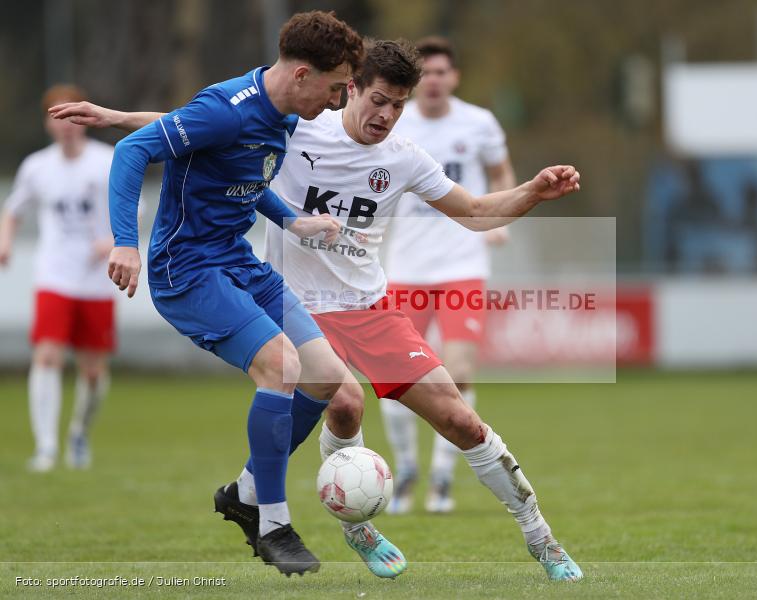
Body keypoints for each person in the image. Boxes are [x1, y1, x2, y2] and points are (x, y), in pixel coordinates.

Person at [50, 39, 584, 582]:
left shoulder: (405, 157)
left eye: (399, 105)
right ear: (350, 88)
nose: (387, 115)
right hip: (293, 299)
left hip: (368, 309)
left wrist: (534, 192)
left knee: (460, 420)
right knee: (345, 402)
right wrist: (116, 117)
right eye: (379, 100)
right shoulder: (303, 122)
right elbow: (196, 126)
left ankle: (541, 536)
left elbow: (473, 213)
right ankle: (355, 528)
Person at [57, 11, 372, 578]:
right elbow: (134, 152)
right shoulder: (229, 106)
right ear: (302, 74)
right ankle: (272, 522)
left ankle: (246, 491)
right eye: (335, 88)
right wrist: (126, 243)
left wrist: (291, 220)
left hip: (237, 262)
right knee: (281, 367)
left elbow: (242, 170)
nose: (337, 101)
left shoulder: (283, 112)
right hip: (187, 270)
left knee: (327, 378)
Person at [380, 36, 516, 515]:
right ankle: (405, 470)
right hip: (405, 268)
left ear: (453, 77)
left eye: (442, 72)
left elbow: (501, 176)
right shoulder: (394, 122)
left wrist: (497, 221)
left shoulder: (478, 123)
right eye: (427, 73)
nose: (434, 81)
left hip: (463, 267)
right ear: (417, 81)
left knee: (456, 373)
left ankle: (441, 476)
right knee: (397, 377)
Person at [0, 84, 116, 472]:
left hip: (98, 279)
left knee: (94, 371)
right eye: (58, 119)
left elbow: (133, 205)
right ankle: (46, 448)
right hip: (55, 275)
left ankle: (79, 432)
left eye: (72, 118)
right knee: (47, 355)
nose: (67, 126)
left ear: (84, 119)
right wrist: (6, 242)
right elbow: (13, 209)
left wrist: (113, 239)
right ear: (49, 124)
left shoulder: (108, 160)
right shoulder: (37, 166)